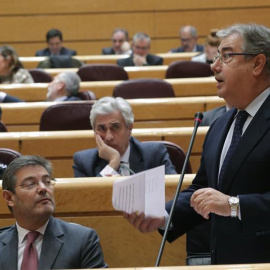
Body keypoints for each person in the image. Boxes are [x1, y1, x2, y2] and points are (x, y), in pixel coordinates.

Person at [123, 23, 270, 264]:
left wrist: (235, 205)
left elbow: (224, 201)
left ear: (257, 63)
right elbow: (201, 189)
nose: (214, 66)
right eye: (215, 57)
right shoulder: (220, 125)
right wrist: (164, 216)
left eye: (226, 56)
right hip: (223, 261)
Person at [0, 155, 107, 269]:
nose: (43, 188)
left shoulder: (83, 240)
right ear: (9, 198)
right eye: (30, 184)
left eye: (47, 181)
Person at [73, 96, 176, 177]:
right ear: (94, 133)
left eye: (115, 127)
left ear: (130, 128)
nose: (108, 137)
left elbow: (175, 193)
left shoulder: (155, 155)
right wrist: (113, 163)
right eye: (101, 128)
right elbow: (87, 200)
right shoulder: (84, 162)